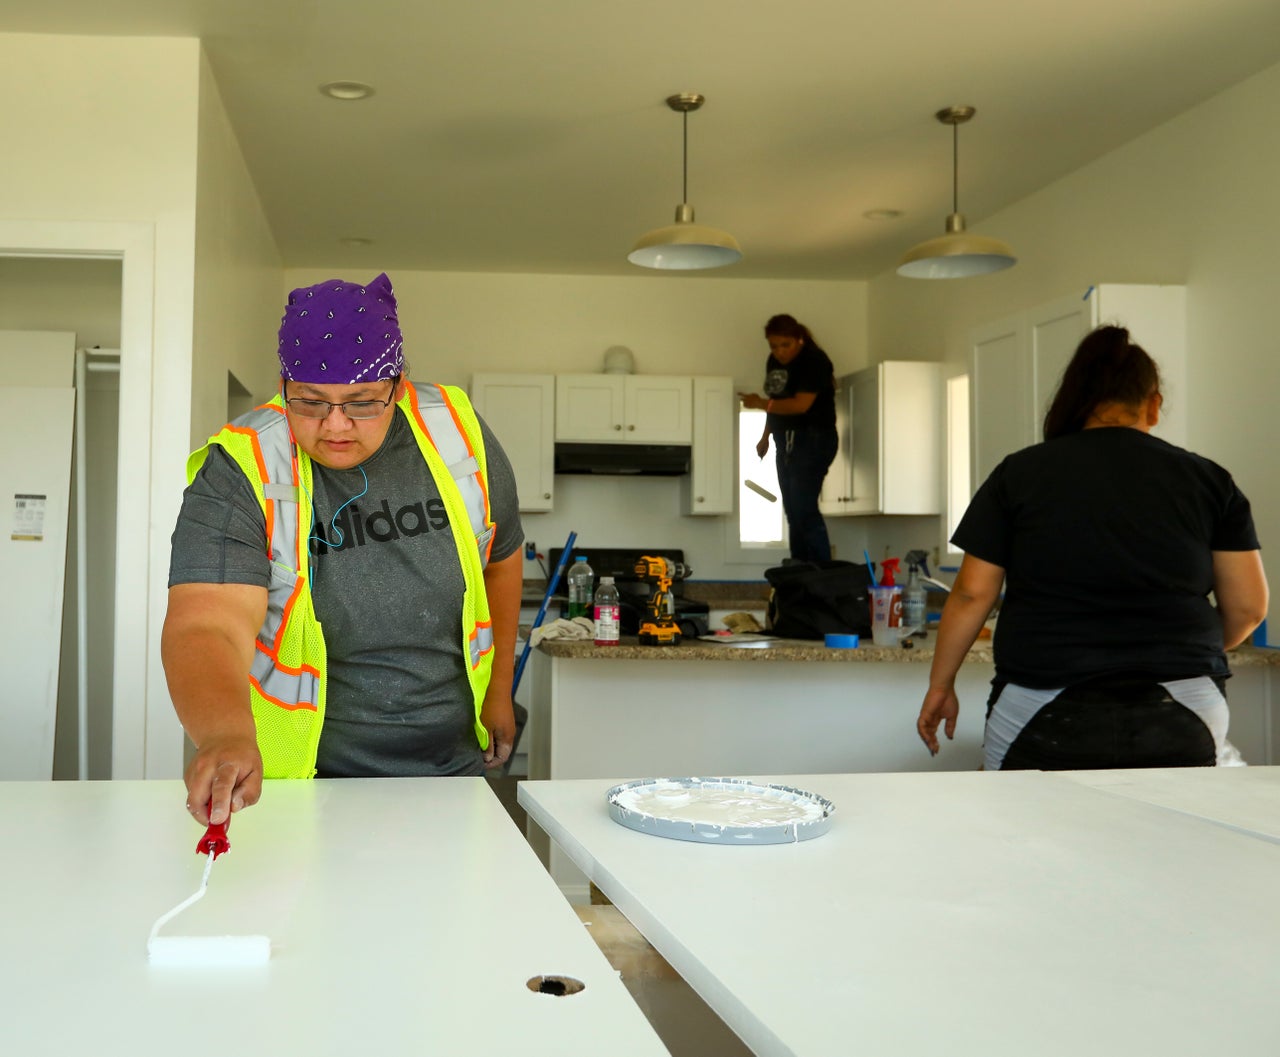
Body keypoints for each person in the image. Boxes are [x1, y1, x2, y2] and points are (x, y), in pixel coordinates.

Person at [163, 273, 525, 826]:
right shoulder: (242, 465)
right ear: (284, 383)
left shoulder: (457, 430)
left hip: (452, 770)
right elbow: (205, 624)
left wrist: (499, 688)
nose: (335, 426)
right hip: (301, 782)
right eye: (309, 402)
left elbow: (499, 561)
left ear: (398, 385)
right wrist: (224, 734)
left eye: (360, 403)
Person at [917, 325, 1267, 770]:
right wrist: (1178, 647)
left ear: (1076, 399)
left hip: (1040, 700)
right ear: (1153, 403)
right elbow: (1249, 609)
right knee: (1181, 836)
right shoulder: (1208, 480)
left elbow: (971, 593)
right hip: (1185, 701)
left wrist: (940, 685)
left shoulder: (1019, 475)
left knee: (1020, 832)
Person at [739, 314, 838, 562]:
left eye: (786, 345)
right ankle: (799, 571)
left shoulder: (814, 361)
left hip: (813, 438)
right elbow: (778, 403)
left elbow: (799, 405)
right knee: (793, 511)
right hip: (785, 441)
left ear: (799, 340)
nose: (780, 352)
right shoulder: (773, 361)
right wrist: (766, 435)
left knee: (804, 509)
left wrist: (759, 402)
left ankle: (821, 573)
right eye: (774, 346)